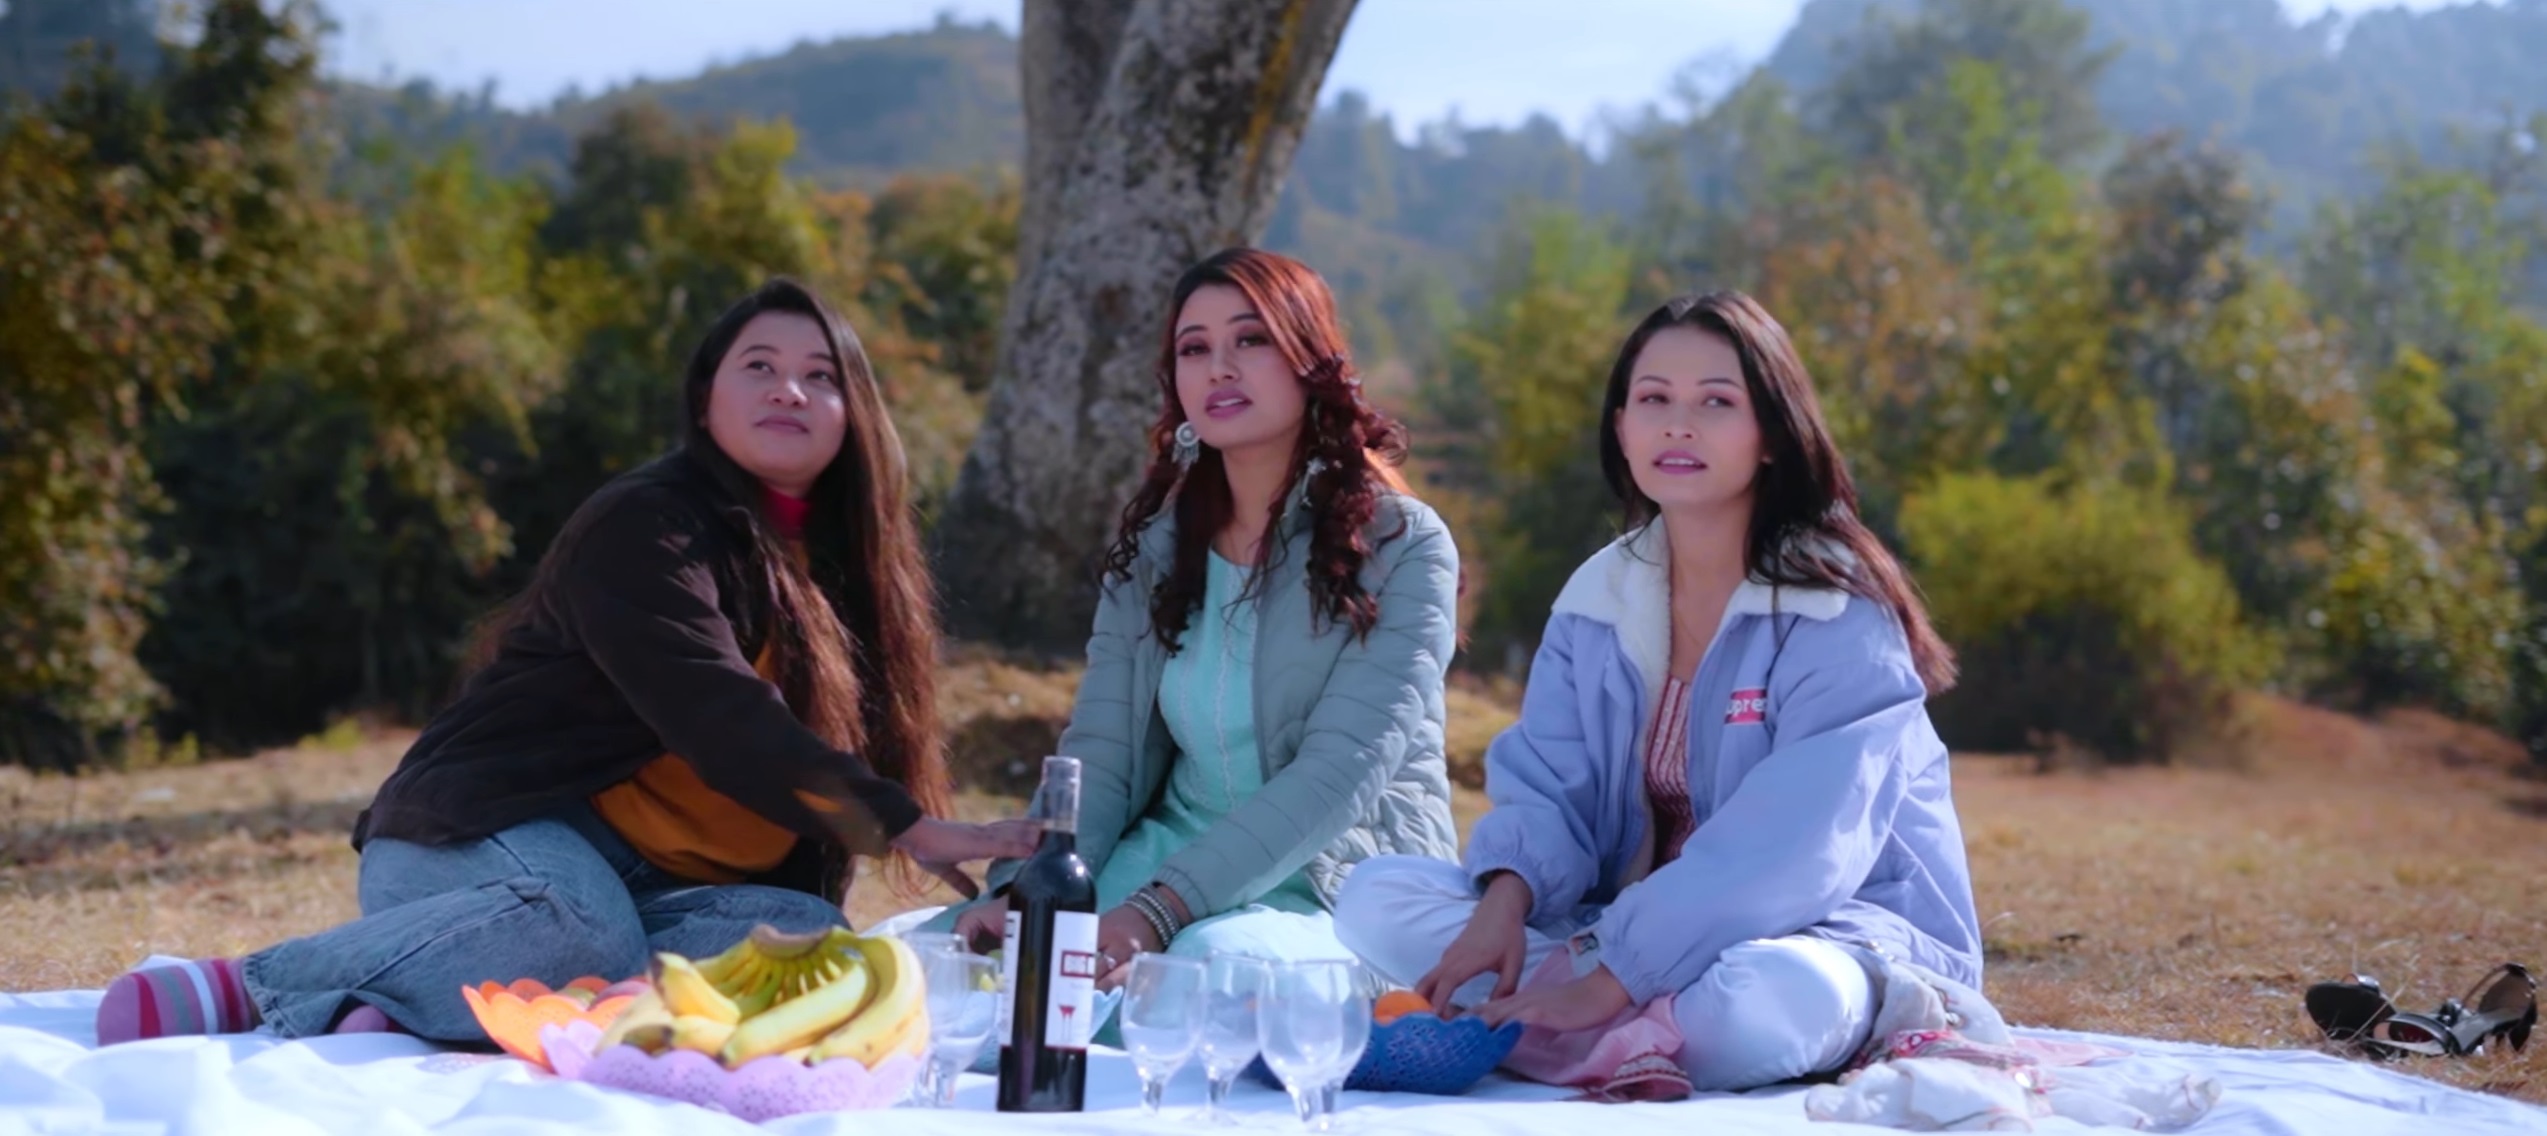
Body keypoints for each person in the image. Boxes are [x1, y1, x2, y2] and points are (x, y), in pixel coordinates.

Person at [96, 278, 1038, 1046]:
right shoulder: (649, 523)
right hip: (487, 847)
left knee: (813, 947)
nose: (788, 390)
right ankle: (257, 983)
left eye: (819, 376)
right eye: (759, 366)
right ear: (704, 402)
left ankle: (411, 1004)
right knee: (578, 927)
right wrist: (903, 824)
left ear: (852, 414)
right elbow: (712, 707)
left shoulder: (856, 573)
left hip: (658, 898)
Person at [1334, 290, 1983, 1092]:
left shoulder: (1834, 609)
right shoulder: (1597, 599)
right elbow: (1551, 789)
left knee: (1771, 1000)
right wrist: (1503, 906)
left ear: (1771, 433)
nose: (1678, 426)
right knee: (1375, 896)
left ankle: (1556, 1029)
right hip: (1622, 929)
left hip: (1819, 934)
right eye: (1653, 400)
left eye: (1715, 402)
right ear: (1620, 427)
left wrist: (1611, 979)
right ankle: (1621, 1035)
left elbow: (1789, 852)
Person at [928, 247, 1462, 993]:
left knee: (1201, 975)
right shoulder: (1157, 549)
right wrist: (1027, 892)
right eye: (1194, 348)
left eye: (1251, 339)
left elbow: (1339, 775)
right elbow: (1103, 754)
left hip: (1336, 881)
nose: (1219, 368)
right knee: (942, 960)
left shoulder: (1404, 547)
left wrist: (1159, 911)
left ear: (1310, 360)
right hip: (1161, 861)